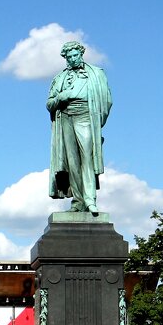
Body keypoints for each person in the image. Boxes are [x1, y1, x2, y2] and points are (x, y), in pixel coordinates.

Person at [47, 40, 112, 214]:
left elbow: (107, 100)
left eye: (76, 55)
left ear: (81, 54)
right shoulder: (59, 78)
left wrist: (98, 123)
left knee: (87, 159)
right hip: (66, 119)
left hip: (86, 117)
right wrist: (61, 97)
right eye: (70, 57)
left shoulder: (96, 74)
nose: (74, 59)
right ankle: (78, 201)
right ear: (66, 58)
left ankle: (90, 200)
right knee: (72, 163)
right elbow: (49, 104)